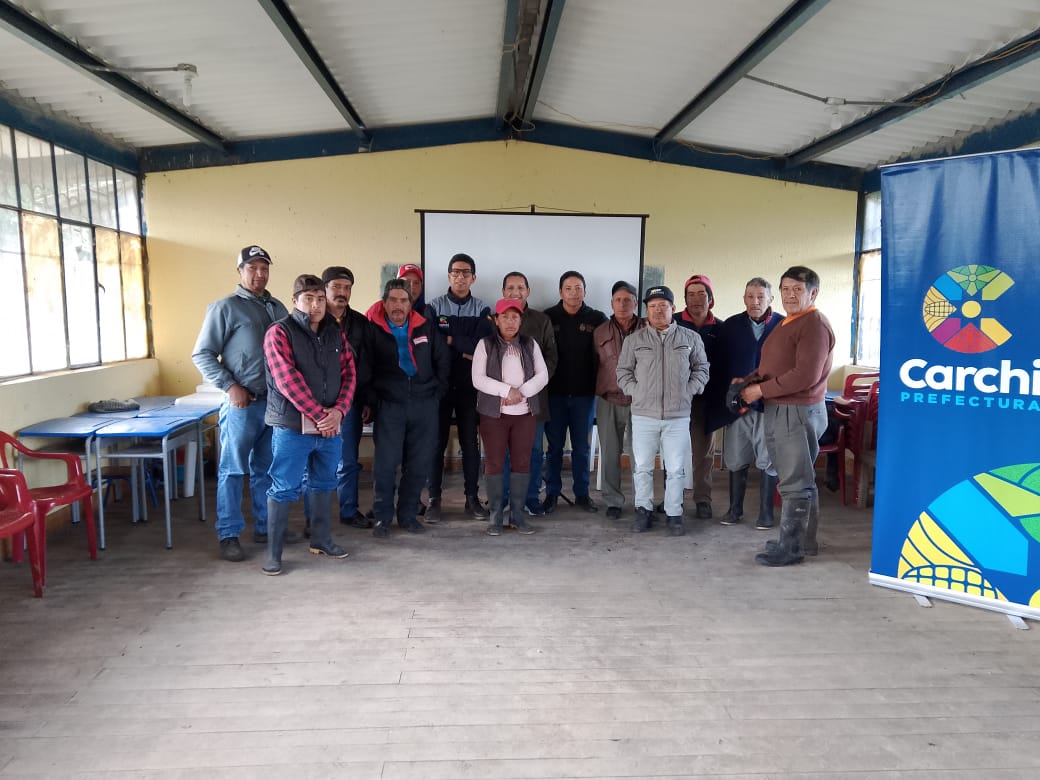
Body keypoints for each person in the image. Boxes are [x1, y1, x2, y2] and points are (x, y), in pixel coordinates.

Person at [192, 245, 289, 562]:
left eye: (264, 268)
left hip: (274, 406)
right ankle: (229, 534)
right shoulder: (225, 308)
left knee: (266, 469)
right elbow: (202, 354)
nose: (259, 274)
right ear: (240, 271)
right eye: (252, 268)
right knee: (233, 470)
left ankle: (265, 527)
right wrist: (230, 386)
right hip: (242, 405)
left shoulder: (277, 308)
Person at [740, 266, 835, 566]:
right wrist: (749, 380)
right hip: (783, 407)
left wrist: (760, 390)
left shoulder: (814, 325)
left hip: (796, 410)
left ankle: (791, 548)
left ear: (813, 293)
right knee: (800, 477)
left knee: (796, 481)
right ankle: (803, 541)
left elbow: (805, 375)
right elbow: (777, 364)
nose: (790, 295)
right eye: (785, 289)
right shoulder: (791, 322)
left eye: (798, 289)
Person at [262, 274, 356, 575]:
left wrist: (339, 411)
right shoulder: (279, 332)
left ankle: (321, 540)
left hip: (330, 427)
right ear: (295, 301)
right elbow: (287, 380)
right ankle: (273, 554)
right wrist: (320, 415)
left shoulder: (335, 333)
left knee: (325, 482)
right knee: (283, 487)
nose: (316, 305)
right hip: (293, 427)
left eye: (320, 299)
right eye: (308, 299)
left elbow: (349, 374)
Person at [617, 286, 709, 536]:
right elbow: (623, 372)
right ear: (646, 311)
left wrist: (689, 390)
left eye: (663, 306)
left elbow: (702, 369)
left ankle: (674, 514)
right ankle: (643, 510)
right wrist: (636, 391)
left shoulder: (690, 339)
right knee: (642, 467)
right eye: (653, 306)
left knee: (676, 468)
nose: (658, 311)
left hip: (678, 416)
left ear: (673, 309)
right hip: (643, 415)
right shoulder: (634, 340)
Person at [364, 278, 450, 538]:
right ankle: (382, 517)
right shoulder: (373, 329)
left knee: (419, 464)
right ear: (384, 303)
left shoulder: (426, 326)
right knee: (385, 465)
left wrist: (436, 395)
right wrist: (374, 400)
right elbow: (364, 368)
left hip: (425, 405)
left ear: (411, 304)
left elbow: (442, 360)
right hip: (390, 406)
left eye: (403, 300)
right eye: (393, 300)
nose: (398, 305)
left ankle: (408, 515)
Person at [424, 253, 494, 522]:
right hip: (439, 384)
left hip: (470, 385)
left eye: (466, 273)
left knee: (470, 444)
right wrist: (463, 346)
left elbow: (481, 347)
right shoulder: (433, 307)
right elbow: (431, 343)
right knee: (436, 443)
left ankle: (471, 499)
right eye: (456, 272)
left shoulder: (482, 309)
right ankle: (434, 499)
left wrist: (451, 339)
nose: (460, 277)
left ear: (473, 278)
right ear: (449, 276)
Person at [471, 298, 550, 535]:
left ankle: (517, 515)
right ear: (496, 320)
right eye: (504, 317)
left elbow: (542, 375)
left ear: (520, 321)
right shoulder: (485, 344)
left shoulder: (530, 343)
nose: (510, 321)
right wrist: (506, 391)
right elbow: (478, 379)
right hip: (493, 415)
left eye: (514, 317)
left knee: (522, 462)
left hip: (524, 414)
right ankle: (496, 516)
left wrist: (520, 393)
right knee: (494, 462)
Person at [716, 278, 784, 529]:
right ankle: (735, 510)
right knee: (735, 456)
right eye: (750, 296)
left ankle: (766, 513)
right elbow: (720, 364)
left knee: (768, 457)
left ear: (770, 299)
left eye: (760, 296)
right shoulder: (731, 326)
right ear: (744, 298)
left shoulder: (783, 325)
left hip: (770, 405)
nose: (755, 301)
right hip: (738, 406)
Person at [542, 271, 607, 513]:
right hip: (554, 395)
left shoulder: (597, 318)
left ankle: (582, 494)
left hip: (584, 396)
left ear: (585, 291)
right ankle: (551, 494)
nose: (573, 293)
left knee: (582, 448)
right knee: (554, 448)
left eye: (578, 288)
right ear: (560, 292)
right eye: (568, 288)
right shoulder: (548, 317)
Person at [499, 271, 557, 517]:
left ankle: (531, 498)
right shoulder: (494, 319)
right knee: (503, 453)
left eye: (520, 287)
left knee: (533, 452)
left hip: (534, 401)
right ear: (503, 292)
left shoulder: (541, 320)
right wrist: (504, 391)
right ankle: (502, 498)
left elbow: (551, 358)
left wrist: (528, 388)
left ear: (528, 291)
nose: (516, 292)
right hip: (502, 402)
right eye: (510, 288)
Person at [321, 266, 371, 528]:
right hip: (317, 404)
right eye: (336, 287)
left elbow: (367, 365)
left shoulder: (361, 323)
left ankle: (349, 511)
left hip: (350, 402)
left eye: (347, 288)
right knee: (313, 463)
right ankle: (314, 519)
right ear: (324, 289)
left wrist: (366, 400)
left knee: (348, 460)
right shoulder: (313, 320)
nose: (341, 292)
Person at [592, 281, 644, 519]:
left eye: (628, 300)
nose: (623, 304)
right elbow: (594, 365)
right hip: (609, 399)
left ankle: (642, 501)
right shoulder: (599, 331)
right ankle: (613, 501)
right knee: (610, 454)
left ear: (636, 303)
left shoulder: (648, 328)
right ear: (611, 303)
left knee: (640, 455)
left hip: (640, 401)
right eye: (618, 300)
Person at [673, 274, 722, 519]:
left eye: (701, 294)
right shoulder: (672, 323)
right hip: (675, 400)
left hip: (705, 400)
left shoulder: (720, 328)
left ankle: (703, 499)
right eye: (690, 294)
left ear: (710, 298)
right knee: (672, 451)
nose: (695, 299)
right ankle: (672, 499)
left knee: (703, 453)